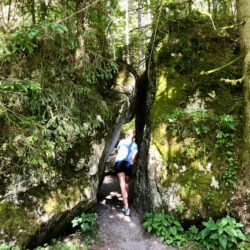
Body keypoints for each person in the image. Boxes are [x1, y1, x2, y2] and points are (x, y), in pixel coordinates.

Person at [114, 129, 138, 216]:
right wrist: (132, 163)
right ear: (133, 136)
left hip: (119, 162)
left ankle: (126, 206)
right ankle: (126, 202)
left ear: (126, 134)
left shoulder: (121, 141)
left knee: (122, 183)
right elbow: (134, 157)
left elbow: (118, 151)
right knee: (127, 183)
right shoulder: (135, 145)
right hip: (128, 164)